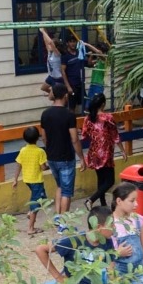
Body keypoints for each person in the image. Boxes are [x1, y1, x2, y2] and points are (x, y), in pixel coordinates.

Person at [41, 84, 84, 217]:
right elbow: (74, 139)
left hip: (52, 156)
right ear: (65, 95)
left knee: (59, 186)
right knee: (67, 192)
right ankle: (64, 222)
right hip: (66, 157)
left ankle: (57, 217)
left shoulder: (45, 114)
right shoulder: (69, 115)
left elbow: (44, 137)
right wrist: (82, 157)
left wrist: (50, 148)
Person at [81, 93, 126, 210]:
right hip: (106, 152)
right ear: (103, 104)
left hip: (94, 151)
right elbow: (115, 135)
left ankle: (103, 204)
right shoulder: (108, 118)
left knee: (101, 179)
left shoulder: (88, 118)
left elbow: (84, 135)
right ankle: (91, 200)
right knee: (110, 180)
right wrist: (123, 150)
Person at [12, 126, 48, 235]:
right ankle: (31, 228)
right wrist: (48, 166)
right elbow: (43, 167)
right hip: (36, 180)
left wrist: (15, 179)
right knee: (36, 203)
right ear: (38, 138)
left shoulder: (23, 150)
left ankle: (30, 213)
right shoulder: (40, 151)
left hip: (27, 179)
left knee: (43, 198)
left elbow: (18, 165)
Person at [38, 28, 68, 98]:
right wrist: (44, 31)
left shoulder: (57, 54)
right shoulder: (50, 51)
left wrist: (42, 31)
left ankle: (55, 96)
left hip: (58, 78)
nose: (49, 46)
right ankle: (53, 94)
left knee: (51, 98)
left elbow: (51, 42)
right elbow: (46, 41)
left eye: (51, 45)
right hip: (51, 76)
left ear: (56, 47)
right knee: (43, 88)